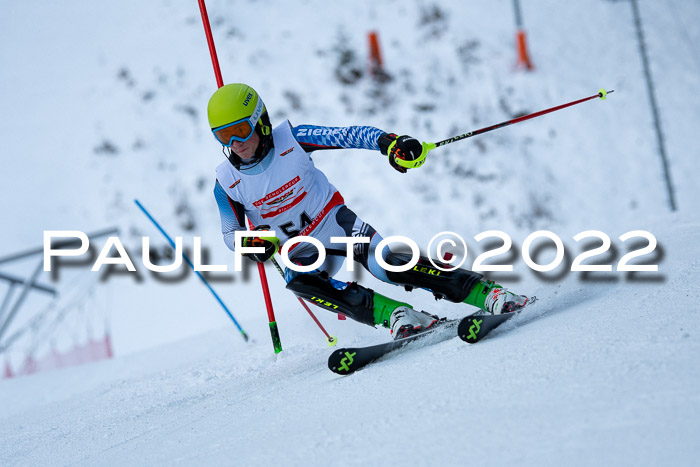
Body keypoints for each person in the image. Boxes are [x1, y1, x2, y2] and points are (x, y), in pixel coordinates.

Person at [209, 83, 529, 339]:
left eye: (241, 130)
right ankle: (395, 316)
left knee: (387, 265)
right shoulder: (227, 182)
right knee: (299, 282)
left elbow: (347, 134)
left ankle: (487, 293)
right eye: (224, 136)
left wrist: (389, 143)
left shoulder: (293, 139)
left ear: (259, 122)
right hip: (302, 250)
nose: (235, 143)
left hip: (336, 225)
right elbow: (229, 233)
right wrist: (251, 244)